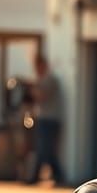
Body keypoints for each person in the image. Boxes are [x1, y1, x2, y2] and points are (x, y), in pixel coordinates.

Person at [26, 55, 63, 185]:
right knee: (45, 149)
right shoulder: (42, 80)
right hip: (43, 119)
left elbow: (40, 96)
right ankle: (55, 176)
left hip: (49, 120)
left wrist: (33, 87)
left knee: (45, 149)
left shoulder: (49, 80)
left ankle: (37, 176)